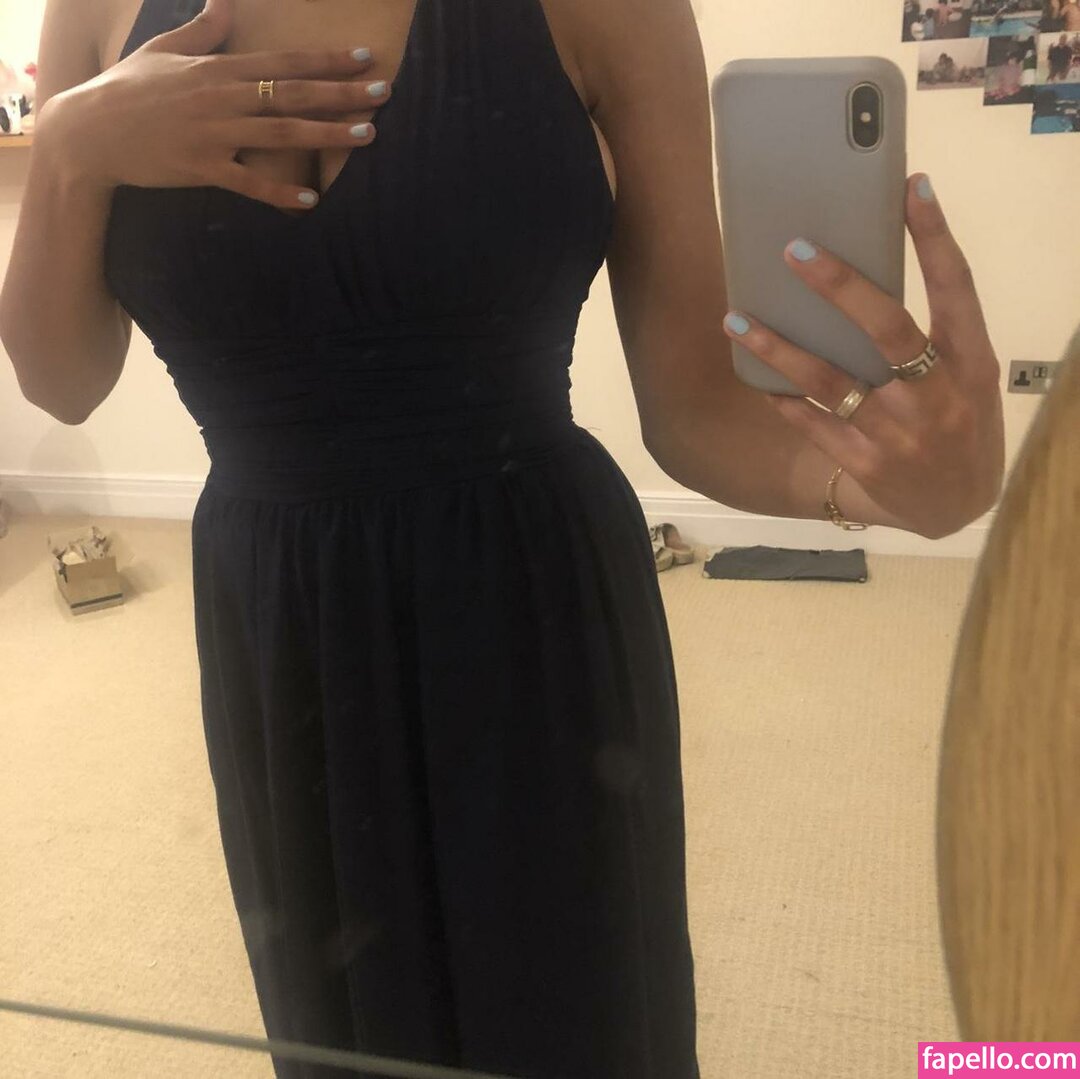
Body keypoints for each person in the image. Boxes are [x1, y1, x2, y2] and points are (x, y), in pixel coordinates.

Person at [0, 0, 1006, 1076]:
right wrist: (67, 153)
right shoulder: (94, 12)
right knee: (338, 1026)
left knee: (575, 1015)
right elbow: (62, 381)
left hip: (530, 604)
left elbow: (695, 408)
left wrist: (883, 488)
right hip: (283, 624)